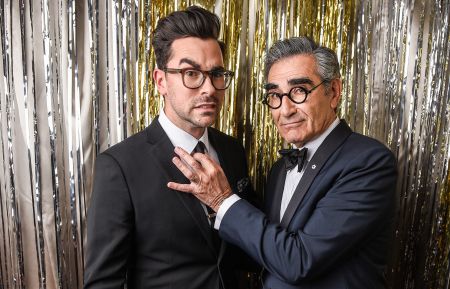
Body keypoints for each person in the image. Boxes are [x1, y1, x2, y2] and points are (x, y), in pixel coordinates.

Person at [168, 36, 398, 289]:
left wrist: (222, 201)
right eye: (275, 95)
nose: (284, 109)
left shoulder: (368, 161)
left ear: (333, 92)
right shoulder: (280, 170)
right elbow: (264, 250)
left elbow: (299, 261)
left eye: (299, 91)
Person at [84, 6, 254, 289]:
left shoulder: (233, 151)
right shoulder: (120, 166)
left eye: (217, 73)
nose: (209, 89)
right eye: (191, 73)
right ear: (160, 81)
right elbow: (103, 283)